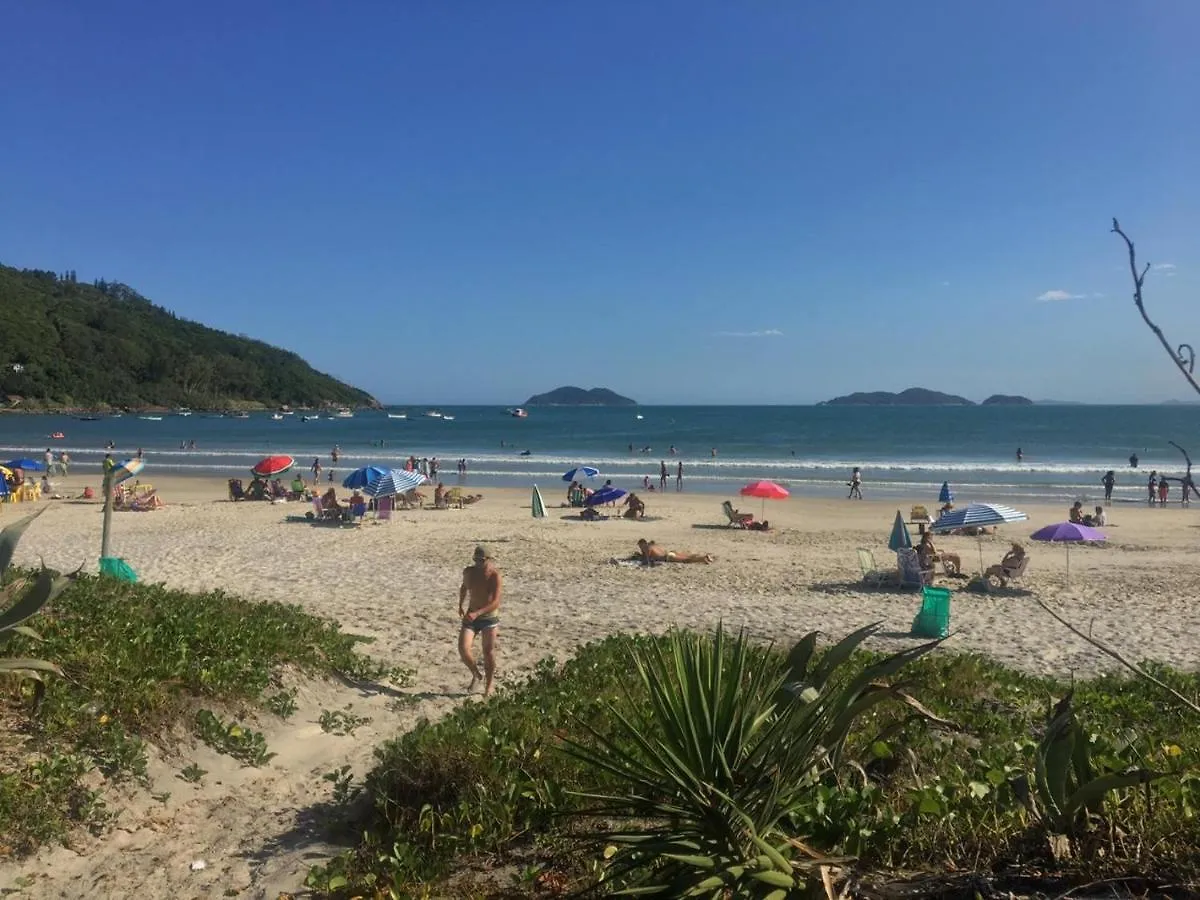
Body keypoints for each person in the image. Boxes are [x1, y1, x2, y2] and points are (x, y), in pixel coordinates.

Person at [458, 545, 502, 695]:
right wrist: (460, 604)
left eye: (481, 561)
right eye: (475, 560)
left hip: (489, 618)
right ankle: (477, 674)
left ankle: (489, 686)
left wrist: (478, 613)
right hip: (471, 615)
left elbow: (495, 602)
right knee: (463, 649)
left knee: (488, 652)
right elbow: (464, 587)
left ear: (488, 560)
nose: (477, 563)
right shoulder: (469, 572)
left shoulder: (494, 575)